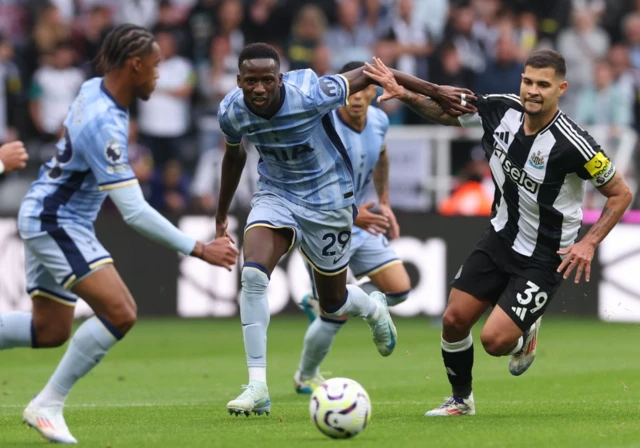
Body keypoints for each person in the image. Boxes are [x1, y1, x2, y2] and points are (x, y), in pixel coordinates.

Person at [1, 24, 238, 444]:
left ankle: (47, 402)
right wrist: (199, 248)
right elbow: (134, 212)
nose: (158, 75)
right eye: (155, 66)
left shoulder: (95, 89)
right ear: (135, 64)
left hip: (46, 211)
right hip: (57, 221)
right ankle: (48, 404)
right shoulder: (103, 123)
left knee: (50, 331)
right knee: (121, 312)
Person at [364, 50, 632, 416]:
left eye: (543, 84)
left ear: (561, 89)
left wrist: (588, 242)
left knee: (494, 341)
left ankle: (526, 329)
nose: (532, 91)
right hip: (500, 236)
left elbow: (621, 193)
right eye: (528, 81)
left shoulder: (575, 144)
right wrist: (408, 95)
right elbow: (447, 114)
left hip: (545, 256)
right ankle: (461, 401)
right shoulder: (500, 109)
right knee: (453, 320)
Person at [216, 43, 473, 416]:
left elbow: (372, 71)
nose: (258, 89)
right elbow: (234, 154)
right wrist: (221, 215)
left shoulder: (311, 94)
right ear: (238, 80)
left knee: (333, 302)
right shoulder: (231, 111)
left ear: (280, 79)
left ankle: (371, 308)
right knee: (253, 276)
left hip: (329, 201)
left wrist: (436, 91)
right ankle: (257, 385)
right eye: (250, 81)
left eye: (266, 80)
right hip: (276, 195)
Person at [292, 61, 412, 394]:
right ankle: (305, 375)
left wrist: (384, 200)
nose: (357, 97)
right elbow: (307, 182)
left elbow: (382, 157)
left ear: (374, 91)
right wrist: (350, 212)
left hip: (359, 221)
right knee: (337, 314)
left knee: (399, 290)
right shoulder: (322, 124)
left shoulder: (379, 121)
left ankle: (323, 301)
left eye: (364, 90)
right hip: (322, 222)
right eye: (352, 90)